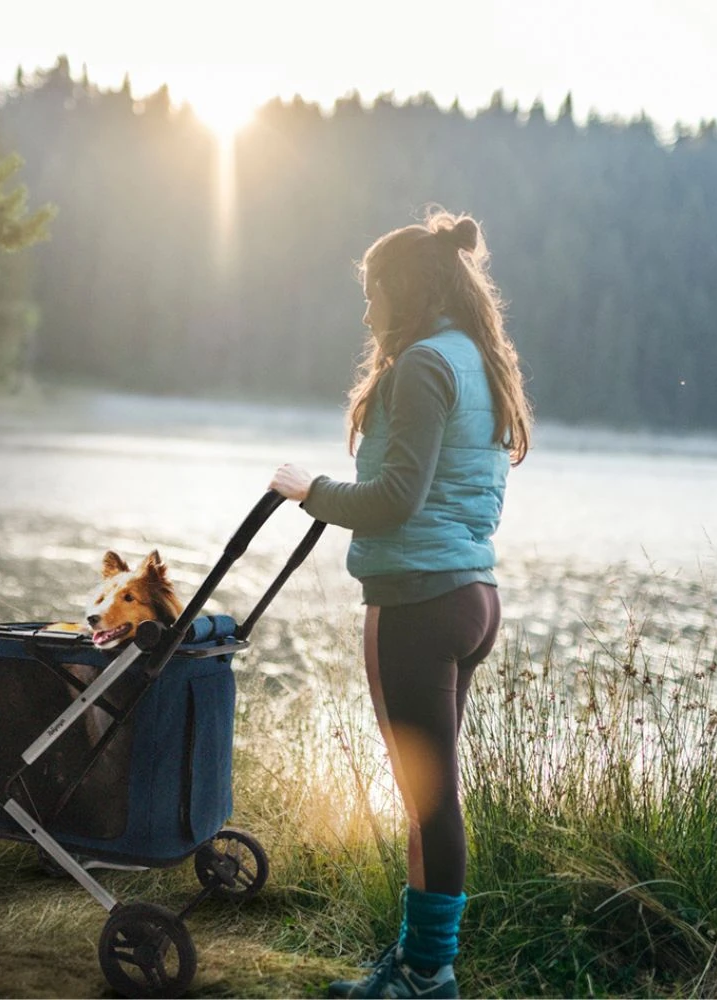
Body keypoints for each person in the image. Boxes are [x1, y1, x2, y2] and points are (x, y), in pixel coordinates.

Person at [270, 208, 532, 1000]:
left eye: (373, 291)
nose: (367, 311)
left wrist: (311, 491)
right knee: (431, 797)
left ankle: (428, 974)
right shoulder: (476, 358)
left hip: (419, 601)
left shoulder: (423, 364)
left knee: (428, 801)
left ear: (406, 288)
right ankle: (419, 963)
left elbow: (394, 499)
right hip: (471, 595)